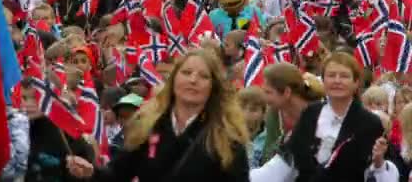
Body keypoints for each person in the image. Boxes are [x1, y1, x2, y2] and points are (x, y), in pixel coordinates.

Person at [66, 49, 250, 181]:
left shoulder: (227, 137)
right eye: (186, 73)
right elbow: (116, 174)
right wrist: (91, 173)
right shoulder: (147, 126)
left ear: (214, 86)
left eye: (203, 76)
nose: (193, 80)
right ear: (174, 79)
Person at [269, 52, 388, 181]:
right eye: (331, 75)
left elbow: (376, 170)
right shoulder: (310, 113)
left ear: (356, 83)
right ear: (323, 80)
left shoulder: (369, 123)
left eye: (344, 76)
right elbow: (289, 158)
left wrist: (378, 162)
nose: (337, 81)